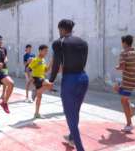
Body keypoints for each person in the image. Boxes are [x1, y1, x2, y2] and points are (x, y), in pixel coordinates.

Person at [48, 19, 89, 151]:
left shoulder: (59, 42)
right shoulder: (83, 43)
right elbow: (84, 62)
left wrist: (51, 80)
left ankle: (80, 148)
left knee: (70, 115)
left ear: (61, 29)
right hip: (83, 78)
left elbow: (56, 64)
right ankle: (71, 137)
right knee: (75, 111)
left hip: (70, 80)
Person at [114, 35, 135, 132]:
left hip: (127, 81)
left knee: (123, 100)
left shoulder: (124, 53)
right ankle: (131, 107)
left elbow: (122, 67)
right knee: (120, 93)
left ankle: (129, 124)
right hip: (134, 80)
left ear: (124, 43)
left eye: (122, 42)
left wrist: (117, 67)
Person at [28, 45, 51, 119]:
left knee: (39, 97)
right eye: (45, 51)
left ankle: (36, 113)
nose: (46, 52)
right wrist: (31, 78)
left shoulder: (43, 60)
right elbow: (28, 69)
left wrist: (51, 62)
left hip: (42, 78)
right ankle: (35, 90)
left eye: (47, 51)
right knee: (49, 84)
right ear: (40, 51)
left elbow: (46, 70)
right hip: (37, 78)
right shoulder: (35, 60)